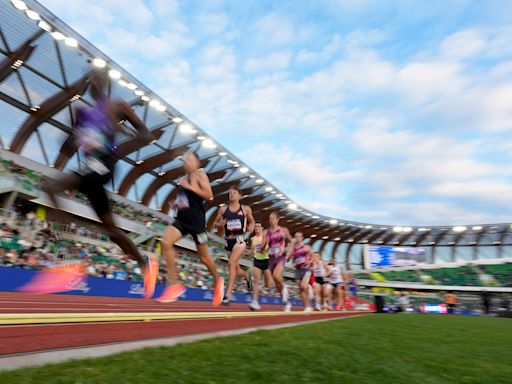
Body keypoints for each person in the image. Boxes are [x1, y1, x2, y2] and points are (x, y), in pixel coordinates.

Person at [22, 69, 157, 297]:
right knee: (112, 232)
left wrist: (117, 145)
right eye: (91, 76)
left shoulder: (118, 106)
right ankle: (145, 265)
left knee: (52, 188)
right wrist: (75, 134)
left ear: (106, 83)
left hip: (103, 165)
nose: (95, 80)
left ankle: (63, 247)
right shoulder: (81, 112)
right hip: (90, 171)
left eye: (100, 77)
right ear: (87, 81)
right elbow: (67, 148)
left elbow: (147, 136)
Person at [157, 150, 224, 305]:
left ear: (197, 163)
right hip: (181, 220)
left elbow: (209, 195)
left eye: (189, 159)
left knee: (204, 258)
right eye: (185, 159)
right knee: (165, 243)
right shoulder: (183, 179)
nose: (186, 161)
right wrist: (176, 203)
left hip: (197, 224)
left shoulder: (201, 175)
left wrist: (189, 186)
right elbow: (186, 199)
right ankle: (173, 285)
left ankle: (217, 280)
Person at [213, 185, 255, 305]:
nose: (231, 194)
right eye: (230, 193)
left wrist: (250, 228)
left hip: (240, 239)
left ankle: (228, 295)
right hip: (228, 240)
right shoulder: (223, 209)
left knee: (231, 263)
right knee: (236, 269)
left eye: (234, 193)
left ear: (239, 196)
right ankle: (247, 277)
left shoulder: (245, 209)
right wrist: (219, 224)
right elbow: (215, 223)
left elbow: (252, 221)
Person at [263, 211, 293, 311]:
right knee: (276, 284)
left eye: (272, 218)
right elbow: (263, 246)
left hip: (281, 256)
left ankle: (285, 288)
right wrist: (264, 245)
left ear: (277, 219)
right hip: (271, 258)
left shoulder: (283, 230)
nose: (270, 220)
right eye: (269, 218)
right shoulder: (267, 232)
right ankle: (287, 303)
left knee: (276, 276)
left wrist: (289, 251)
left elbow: (291, 241)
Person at [248, 223, 272, 311]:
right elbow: (252, 251)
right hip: (257, 261)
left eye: (258, 227)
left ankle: (262, 288)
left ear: (262, 228)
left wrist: (264, 249)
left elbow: (268, 248)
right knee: (256, 281)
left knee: (269, 284)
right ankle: (255, 301)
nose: (256, 228)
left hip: (266, 261)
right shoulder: (252, 239)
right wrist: (246, 253)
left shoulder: (265, 237)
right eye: (255, 227)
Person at [288, 232, 314, 312]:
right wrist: (292, 261)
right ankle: (307, 307)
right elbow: (290, 258)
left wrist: (309, 262)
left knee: (303, 286)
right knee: (301, 290)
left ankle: (308, 287)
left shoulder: (306, 247)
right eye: (296, 237)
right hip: (298, 270)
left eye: (299, 236)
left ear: (302, 238)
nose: (297, 238)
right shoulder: (293, 248)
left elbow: (314, 256)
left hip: (306, 269)